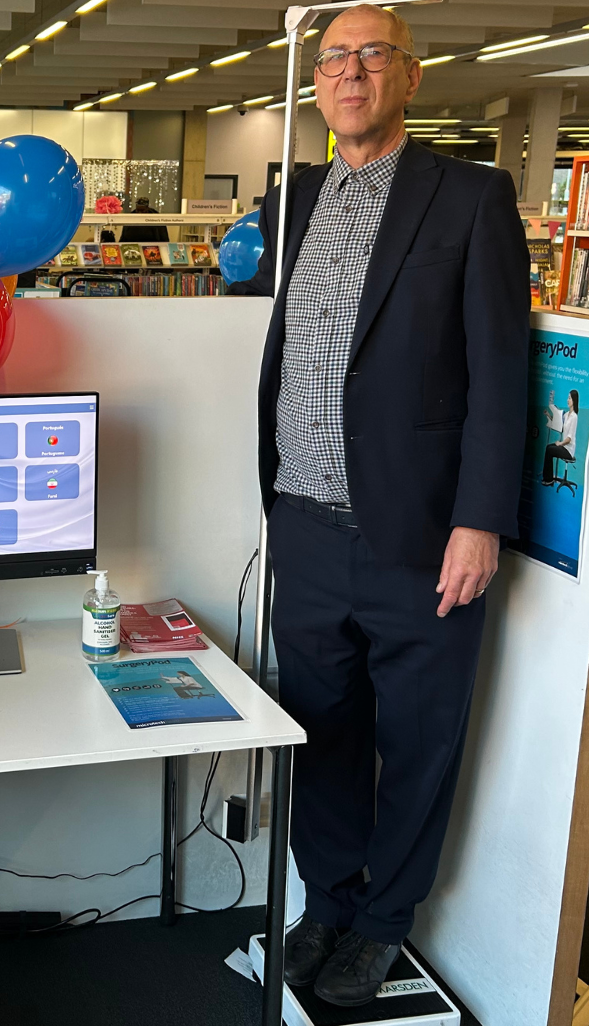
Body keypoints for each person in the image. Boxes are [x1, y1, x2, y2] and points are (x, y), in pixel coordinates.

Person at [231, 4, 528, 1007]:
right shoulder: (297, 197)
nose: (348, 74)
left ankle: (384, 921)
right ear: (314, 81)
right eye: (332, 59)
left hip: (422, 537)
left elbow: (501, 373)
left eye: (370, 55)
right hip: (304, 527)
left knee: (418, 741)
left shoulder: (471, 196)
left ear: (410, 74)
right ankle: (329, 900)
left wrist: (480, 520)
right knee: (321, 732)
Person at [543, 388, 578, 484]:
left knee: (550, 450)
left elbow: (569, 438)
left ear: (574, 400)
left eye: (569, 398)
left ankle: (548, 479)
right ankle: (548, 477)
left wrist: (560, 443)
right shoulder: (566, 415)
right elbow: (557, 423)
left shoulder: (574, 417)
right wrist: (548, 415)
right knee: (548, 447)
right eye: (568, 398)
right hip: (564, 446)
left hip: (568, 450)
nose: (568, 400)